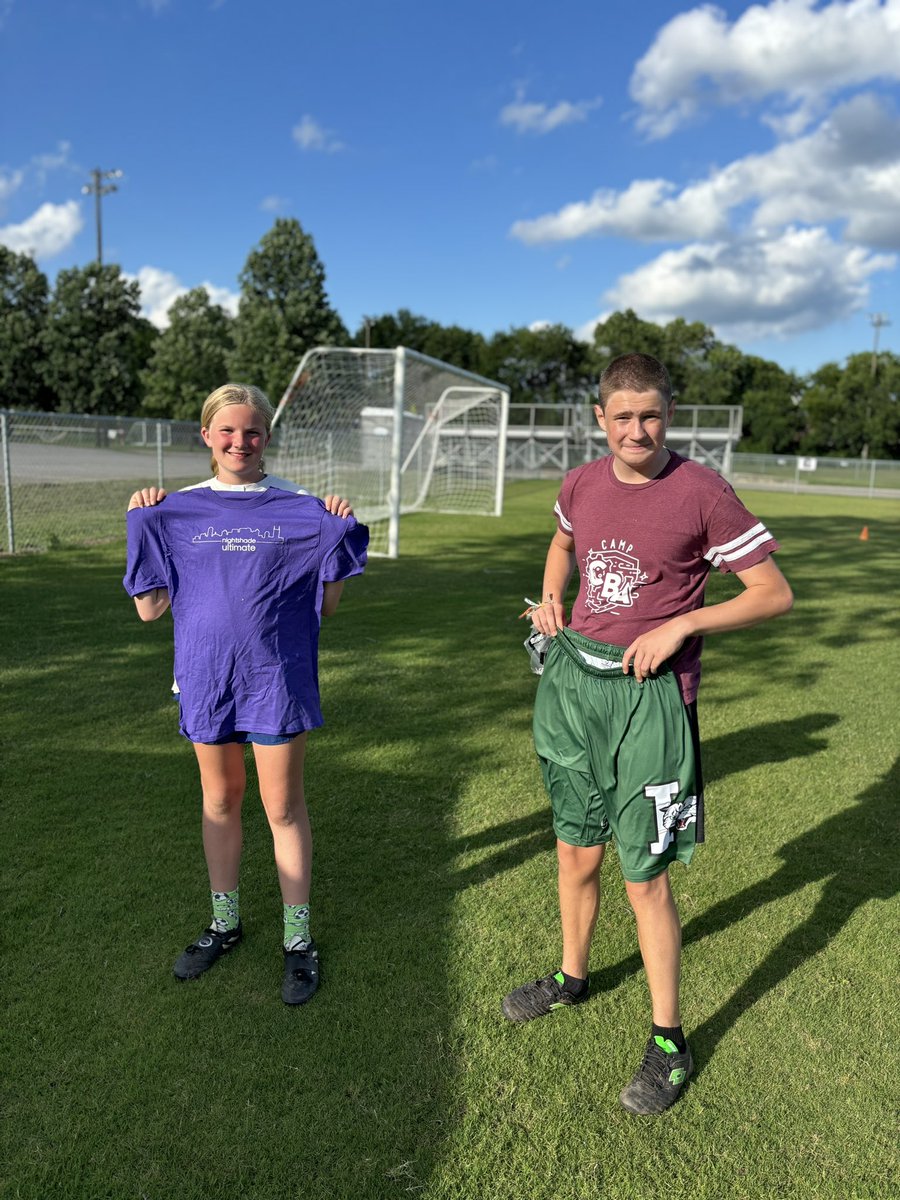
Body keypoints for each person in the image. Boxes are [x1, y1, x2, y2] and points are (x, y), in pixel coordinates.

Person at [502, 353, 793, 1113]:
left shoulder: (702, 492)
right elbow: (564, 544)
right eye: (622, 416)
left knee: (645, 876)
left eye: (652, 415)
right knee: (574, 849)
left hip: (653, 702)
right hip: (576, 690)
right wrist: (549, 600)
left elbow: (773, 592)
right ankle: (571, 976)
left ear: (670, 415)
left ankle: (669, 1039)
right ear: (599, 417)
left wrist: (686, 622)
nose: (638, 429)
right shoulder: (580, 483)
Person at [124, 383, 368, 1005]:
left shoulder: (298, 507)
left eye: (252, 431)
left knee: (282, 807)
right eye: (227, 431)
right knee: (220, 800)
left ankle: (298, 940)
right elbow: (151, 610)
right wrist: (141, 523)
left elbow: (329, 605)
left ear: (267, 437)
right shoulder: (174, 509)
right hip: (207, 680)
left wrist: (335, 528)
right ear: (206, 436)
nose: (240, 442)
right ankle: (225, 925)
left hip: (275, 682)